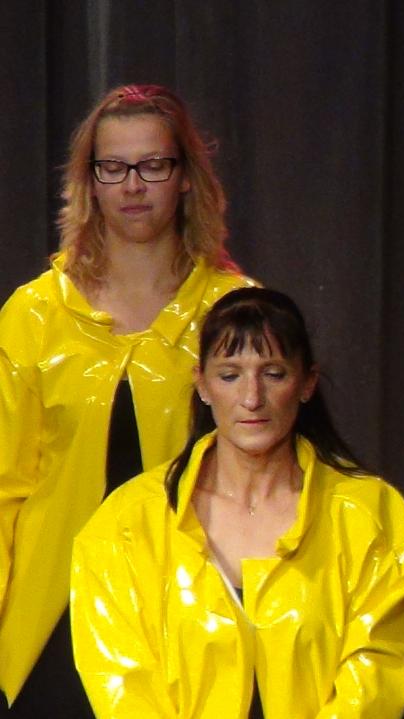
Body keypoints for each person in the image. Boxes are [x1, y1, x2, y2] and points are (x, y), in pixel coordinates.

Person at [0, 84, 251, 716]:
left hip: (194, 619)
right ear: (89, 180)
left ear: (185, 177)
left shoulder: (234, 312)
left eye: (153, 165)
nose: (133, 185)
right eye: (112, 167)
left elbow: (268, 483)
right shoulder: (34, 315)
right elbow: (3, 487)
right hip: (54, 620)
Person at [69, 287, 404, 718]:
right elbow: (124, 686)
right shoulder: (126, 524)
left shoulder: (373, 516)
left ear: (307, 383)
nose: (252, 397)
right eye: (230, 375)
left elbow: (375, 674)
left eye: (273, 374)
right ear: (202, 384)